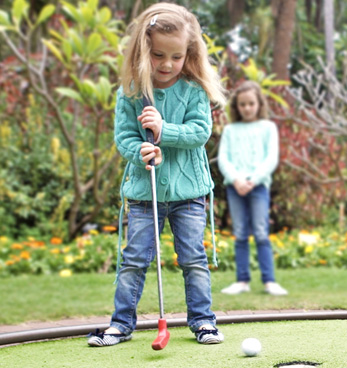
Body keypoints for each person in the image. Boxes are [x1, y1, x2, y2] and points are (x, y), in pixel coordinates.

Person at [88, 3, 226, 347]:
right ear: (142, 50)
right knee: (133, 260)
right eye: (158, 55)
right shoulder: (131, 92)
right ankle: (121, 324)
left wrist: (164, 131)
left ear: (188, 54)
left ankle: (203, 321)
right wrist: (141, 151)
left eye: (176, 57)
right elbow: (124, 138)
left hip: (188, 193)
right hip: (143, 194)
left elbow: (199, 131)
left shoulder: (194, 90)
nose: (167, 64)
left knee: (193, 258)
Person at [217, 81, 288, 296]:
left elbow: (271, 159)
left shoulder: (268, 127)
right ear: (237, 107)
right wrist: (236, 180)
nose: (247, 108)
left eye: (251, 103)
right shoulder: (230, 130)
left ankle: (269, 281)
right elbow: (224, 159)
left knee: (260, 233)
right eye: (242, 104)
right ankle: (242, 280)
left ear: (259, 104)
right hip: (235, 188)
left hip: (258, 187)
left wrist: (253, 180)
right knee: (239, 233)